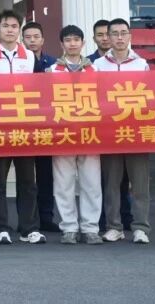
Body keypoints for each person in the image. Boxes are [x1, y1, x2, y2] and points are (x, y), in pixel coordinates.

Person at [0, 10, 46, 245]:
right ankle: (2, 228)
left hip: (25, 128)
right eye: (5, 26)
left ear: (19, 29)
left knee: (28, 182)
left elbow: (41, 91)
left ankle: (29, 228)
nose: (10, 30)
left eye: (14, 26)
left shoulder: (31, 58)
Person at [94, 18, 151, 244]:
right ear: (108, 37)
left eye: (123, 33)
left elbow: (152, 96)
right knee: (111, 182)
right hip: (110, 132)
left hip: (136, 131)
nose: (119, 37)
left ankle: (141, 227)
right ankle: (114, 226)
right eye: (114, 33)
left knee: (140, 183)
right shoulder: (98, 65)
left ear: (130, 36)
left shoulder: (141, 64)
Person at [48, 26, 102, 245]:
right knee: (64, 184)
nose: (72, 43)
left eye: (76, 39)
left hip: (90, 134)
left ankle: (90, 228)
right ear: (61, 44)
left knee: (92, 183)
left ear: (83, 43)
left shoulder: (96, 70)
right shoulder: (51, 71)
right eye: (68, 40)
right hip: (63, 135)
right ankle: (69, 227)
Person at [22, 21, 59, 233]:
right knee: (26, 178)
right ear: (22, 40)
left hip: (45, 126)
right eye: (28, 37)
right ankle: (27, 219)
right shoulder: (19, 63)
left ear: (43, 40)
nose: (32, 41)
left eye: (36, 37)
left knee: (45, 175)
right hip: (23, 126)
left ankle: (46, 216)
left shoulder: (53, 64)